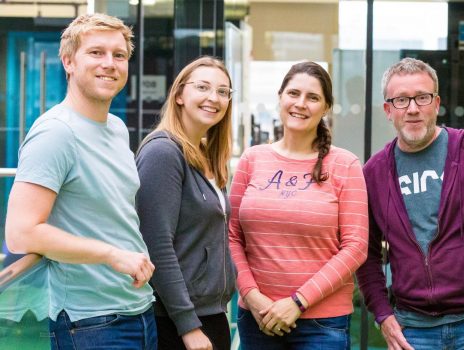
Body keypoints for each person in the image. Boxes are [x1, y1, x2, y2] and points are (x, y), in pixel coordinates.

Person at [4, 13, 156, 349]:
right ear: (68, 61)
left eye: (119, 55)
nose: (110, 63)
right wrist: (110, 254)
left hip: (138, 309)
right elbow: (21, 233)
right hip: (90, 323)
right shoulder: (56, 132)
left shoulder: (116, 128)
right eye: (96, 53)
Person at [355, 57, 464, 350]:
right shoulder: (374, 173)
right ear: (387, 110)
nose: (412, 108)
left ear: (436, 103)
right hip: (414, 330)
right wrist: (383, 314)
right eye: (400, 100)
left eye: (422, 97)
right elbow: (365, 253)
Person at [228, 61, 368, 349]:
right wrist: (252, 296)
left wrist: (298, 302)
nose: (300, 104)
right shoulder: (252, 159)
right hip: (257, 318)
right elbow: (230, 236)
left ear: (326, 107)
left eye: (313, 97)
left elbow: (356, 247)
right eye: (293, 93)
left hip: (321, 325)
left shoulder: (345, 165)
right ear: (280, 97)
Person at [136, 56, 237, 350]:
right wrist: (188, 326)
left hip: (210, 314)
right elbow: (157, 245)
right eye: (203, 87)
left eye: (222, 91)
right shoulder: (163, 153)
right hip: (177, 322)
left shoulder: (205, 155)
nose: (213, 98)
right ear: (179, 95)